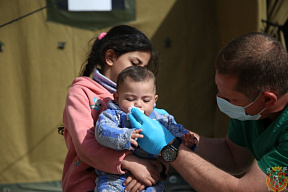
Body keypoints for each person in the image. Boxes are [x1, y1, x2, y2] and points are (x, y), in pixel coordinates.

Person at [128, 32, 288, 191]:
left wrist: (170, 148)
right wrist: (176, 133)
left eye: (231, 99)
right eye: (220, 92)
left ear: (268, 100)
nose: (221, 100)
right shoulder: (251, 109)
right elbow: (232, 157)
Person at [59, 25, 169, 192]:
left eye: (143, 67)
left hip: (134, 183)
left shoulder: (138, 97)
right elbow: (85, 145)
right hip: (87, 184)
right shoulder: (81, 93)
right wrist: (133, 164)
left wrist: (155, 169)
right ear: (110, 57)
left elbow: (158, 137)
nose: (138, 71)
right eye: (135, 63)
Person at [94, 66, 197, 192]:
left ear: (154, 100)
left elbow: (176, 132)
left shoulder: (162, 118)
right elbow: (101, 132)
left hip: (149, 175)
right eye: (130, 99)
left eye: (146, 100)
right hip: (114, 177)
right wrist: (126, 136)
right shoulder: (112, 115)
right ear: (117, 97)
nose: (138, 104)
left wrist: (186, 141)